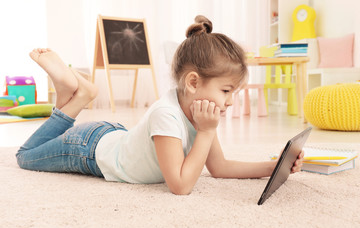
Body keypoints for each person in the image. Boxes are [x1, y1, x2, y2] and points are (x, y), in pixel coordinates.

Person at [16, 15, 304, 195]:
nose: (230, 101)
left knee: (37, 148)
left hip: (111, 135)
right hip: (87, 150)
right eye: (227, 90)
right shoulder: (167, 115)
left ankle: (76, 94)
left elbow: (219, 167)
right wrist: (205, 133)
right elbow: (180, 186)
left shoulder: (200, 110)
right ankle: (78, 96)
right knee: (25, 157)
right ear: (193, 82)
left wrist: (274, 166)